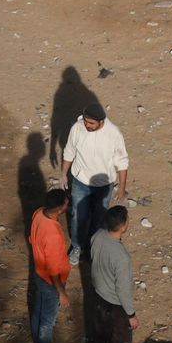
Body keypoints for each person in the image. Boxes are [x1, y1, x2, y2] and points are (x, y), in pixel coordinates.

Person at [61, 102, 129, 263]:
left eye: (91, 123)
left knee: (99, 219)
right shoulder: (77, 128)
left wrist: (121, 189)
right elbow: (69, 150)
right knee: (79, 216)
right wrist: (63, 174)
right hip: (80, 181)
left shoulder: (114, 134)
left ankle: (94, 247)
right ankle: (77, 247)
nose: (86, 125)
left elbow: (122, 162)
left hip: (104, 185)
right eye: (85, 121)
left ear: (101, 121)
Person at [86, 206, 137, 343]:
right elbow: (123, 290)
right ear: (123, 226)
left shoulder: (98, 236)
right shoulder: (121, 257)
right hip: (117, 306)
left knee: (99, 342)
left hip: (99, 298)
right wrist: (131, 315)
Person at [29, 188, 72, 343]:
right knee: (47, 322)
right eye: (66, 202)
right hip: (50, 281)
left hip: (39, 272)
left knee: (38, 314)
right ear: (60, 208)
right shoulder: (53, 234)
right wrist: (61, 293)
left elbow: (32, 238)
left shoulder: (39, 213)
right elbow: (54, 271)